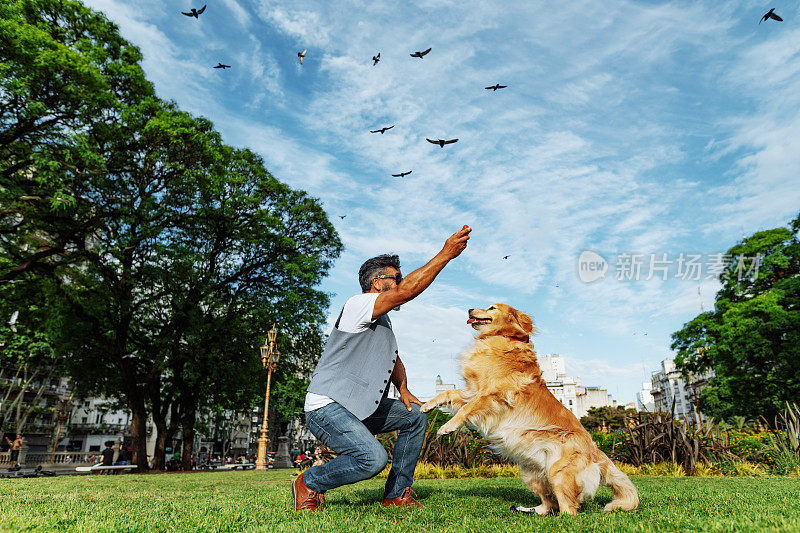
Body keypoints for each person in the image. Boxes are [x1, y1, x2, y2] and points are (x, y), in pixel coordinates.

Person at [293, 226, 471, 511]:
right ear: (377, 282)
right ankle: (309, 481)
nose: (400, 283)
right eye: (396, 279)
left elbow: (394, 358)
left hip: (357, 404)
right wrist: (446, 254)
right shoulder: (358, 305)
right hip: (327, 406)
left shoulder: (383, 320)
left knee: (415, 416)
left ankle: (396, 495)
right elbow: (407, 292)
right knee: (372, 459)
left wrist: (403, 389)